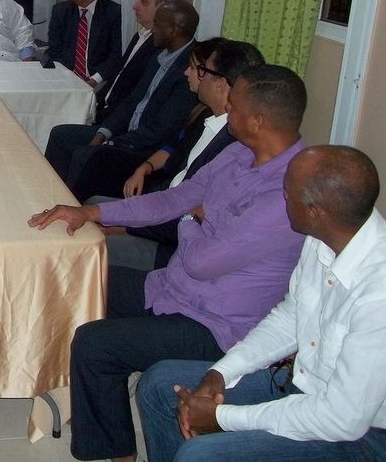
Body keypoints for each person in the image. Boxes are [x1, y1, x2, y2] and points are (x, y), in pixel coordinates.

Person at [28, 64, 308, 462]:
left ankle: (117, 453)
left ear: (258, 120)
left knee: (96, 343)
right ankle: (86, 404)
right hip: (171, 288)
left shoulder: (288, 190)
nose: (227, 106)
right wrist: (90, 214)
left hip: (216, 325)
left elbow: (202, 262)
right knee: (78, 281)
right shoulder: (239, 153)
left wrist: (191, 220)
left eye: (235, 103)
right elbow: (173, 200)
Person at [138, 145, 386, 462]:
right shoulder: (323, 237)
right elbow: (290, 318)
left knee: (200, 455)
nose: (282, 198)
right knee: (158, 385)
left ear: (315, 212)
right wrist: (221, 373)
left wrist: (221, 417)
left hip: (362, 436)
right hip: (301, 385)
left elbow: (341, 419)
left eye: (287, 193)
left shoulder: (378, 294)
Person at [76, 40, 264, 272]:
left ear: (220, 83)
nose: (188, 73)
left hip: (175, 247)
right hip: (163, 215)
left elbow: (188, 216)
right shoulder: (206, 119)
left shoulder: (233, 146)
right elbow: (173, 188)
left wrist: (125, 226)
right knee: (91, 204)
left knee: (88, 246)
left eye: (202, 70)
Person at [45, 0, 199, 188]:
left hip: (146, 149)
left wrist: (113, 143)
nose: (153, 30)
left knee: (85, 155)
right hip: (125, 133)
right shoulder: (159, 56)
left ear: (174, 30)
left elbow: (161, 129)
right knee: (60, 135)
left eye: (158, 25)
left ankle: (69, 202)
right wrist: (104, 132)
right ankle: (48, 191)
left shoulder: (190, 70)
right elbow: (131, 101)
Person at [93, 0, 179, 124]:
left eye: (143, 1)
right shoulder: (140, 35)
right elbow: (118, 77)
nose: (135, 6)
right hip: (101, 107)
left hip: (115, 119)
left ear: (162, 8)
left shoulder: (161, 48)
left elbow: (135, 96)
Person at [44, 0, 124, 88]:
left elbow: (115, 56)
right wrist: (69, 78)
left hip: (99, 80)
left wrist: (94, 80)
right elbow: (54, 50)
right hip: (65, 77)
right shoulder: (60, 11)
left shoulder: (112, 12)